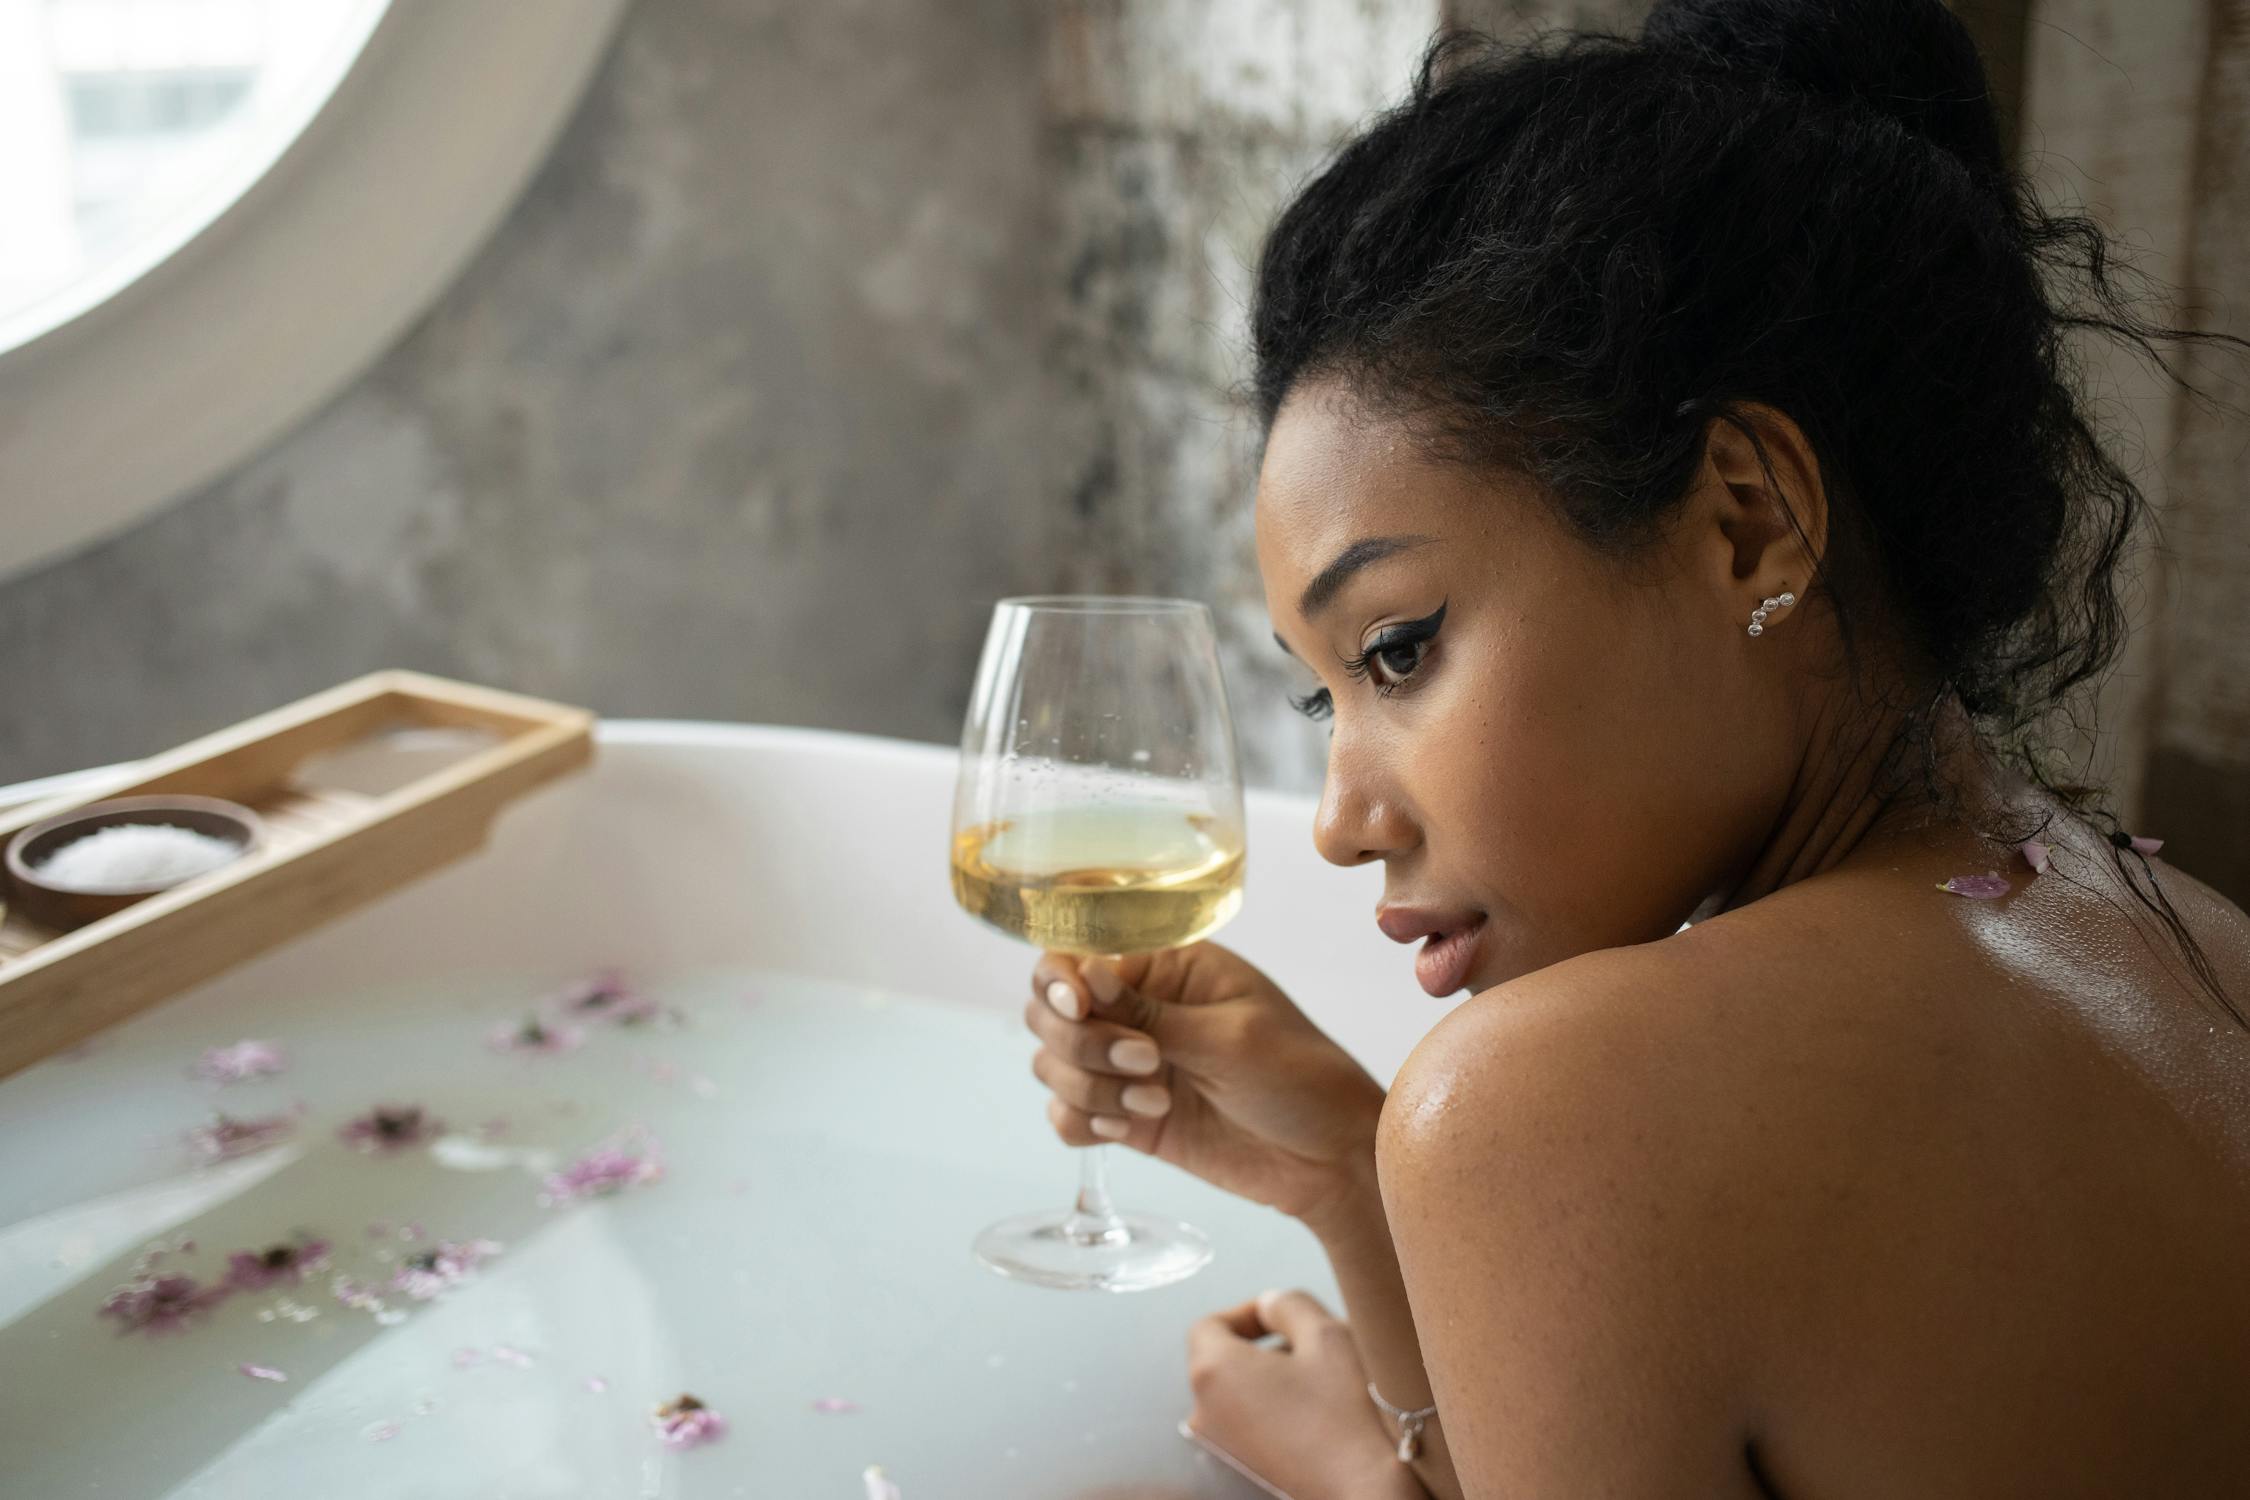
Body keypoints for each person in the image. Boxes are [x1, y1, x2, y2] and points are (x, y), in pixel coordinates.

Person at [1021, 1, 2250, 1495]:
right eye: (1319, 693)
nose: (1341, 819)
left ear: (1745, 523)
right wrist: (1354, 1174)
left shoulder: (1562, 1099)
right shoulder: (2192, 945)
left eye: (1399, 649)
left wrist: (1348, 1471)